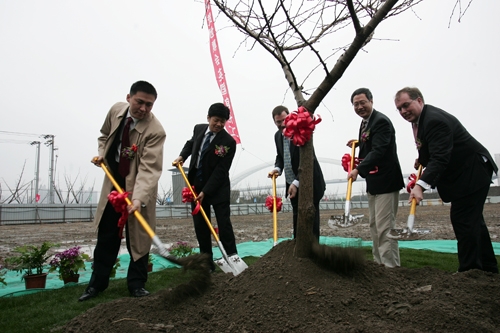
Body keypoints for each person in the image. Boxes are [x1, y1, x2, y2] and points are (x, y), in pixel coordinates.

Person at [395, 87, 498, 273]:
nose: (403, 111)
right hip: (466, 174)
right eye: (399, 109)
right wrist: (423, 159)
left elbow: (441, 157)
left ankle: (470, 272)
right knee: (473, 222)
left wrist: (420, 186)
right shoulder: (421, 121)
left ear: (419, 100)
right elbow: (433, 149)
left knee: (463, 220)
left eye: (406, 105)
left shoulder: (434, 120)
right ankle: (488, 269)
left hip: (472, 172)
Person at [78, 81, 166, 301]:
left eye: (149, 104)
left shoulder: (155, 131)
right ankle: (96, 285)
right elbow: (104, 135)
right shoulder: (116, 110)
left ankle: (137, 285)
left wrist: (137, 199)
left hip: (139, 186)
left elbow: (149, 169)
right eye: (140, 102)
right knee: (107, 234)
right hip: (115, 183)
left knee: (139, 237)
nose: (144, 109)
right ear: (129, 97)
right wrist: (101, 153)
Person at [172, 103, 238, 272]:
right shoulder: (199, 129)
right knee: (201, 227)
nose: (219, 124)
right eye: (216, 120)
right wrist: (182, 156)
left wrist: (205, 192)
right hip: (195, 186)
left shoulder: (228, 142)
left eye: (223, 122)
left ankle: (232, 258)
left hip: (217, 188)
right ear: (208, 118)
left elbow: (221, 171)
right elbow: (191, 143)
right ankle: (206, 263)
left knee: (224, 225)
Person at [347, 88, 404, 268]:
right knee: (374, 226)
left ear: (371, 101)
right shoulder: (365, 123)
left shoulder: (381, 122)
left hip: (386, 182)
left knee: (385, 228)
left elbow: (378, 150)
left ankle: (391, 269)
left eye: (363, 102)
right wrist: (358, 144)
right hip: (374, 183)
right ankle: (379, 266)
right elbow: (370, 145)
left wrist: (358, 169)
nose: (360, 107)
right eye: (356, 104)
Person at [268, 105, 326, 241]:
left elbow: (308, 160)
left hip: (310, 182)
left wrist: (296, 182)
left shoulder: (301, 132)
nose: (282, 124)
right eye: (278, 122)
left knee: (310, 218)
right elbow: (280, 156)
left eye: (284, 120)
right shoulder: (277, 136)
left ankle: (313, 249)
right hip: (291, 185)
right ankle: (298, 247)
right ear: (274, 122)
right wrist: (277, 168)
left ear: (290, 116)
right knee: (296, 217)